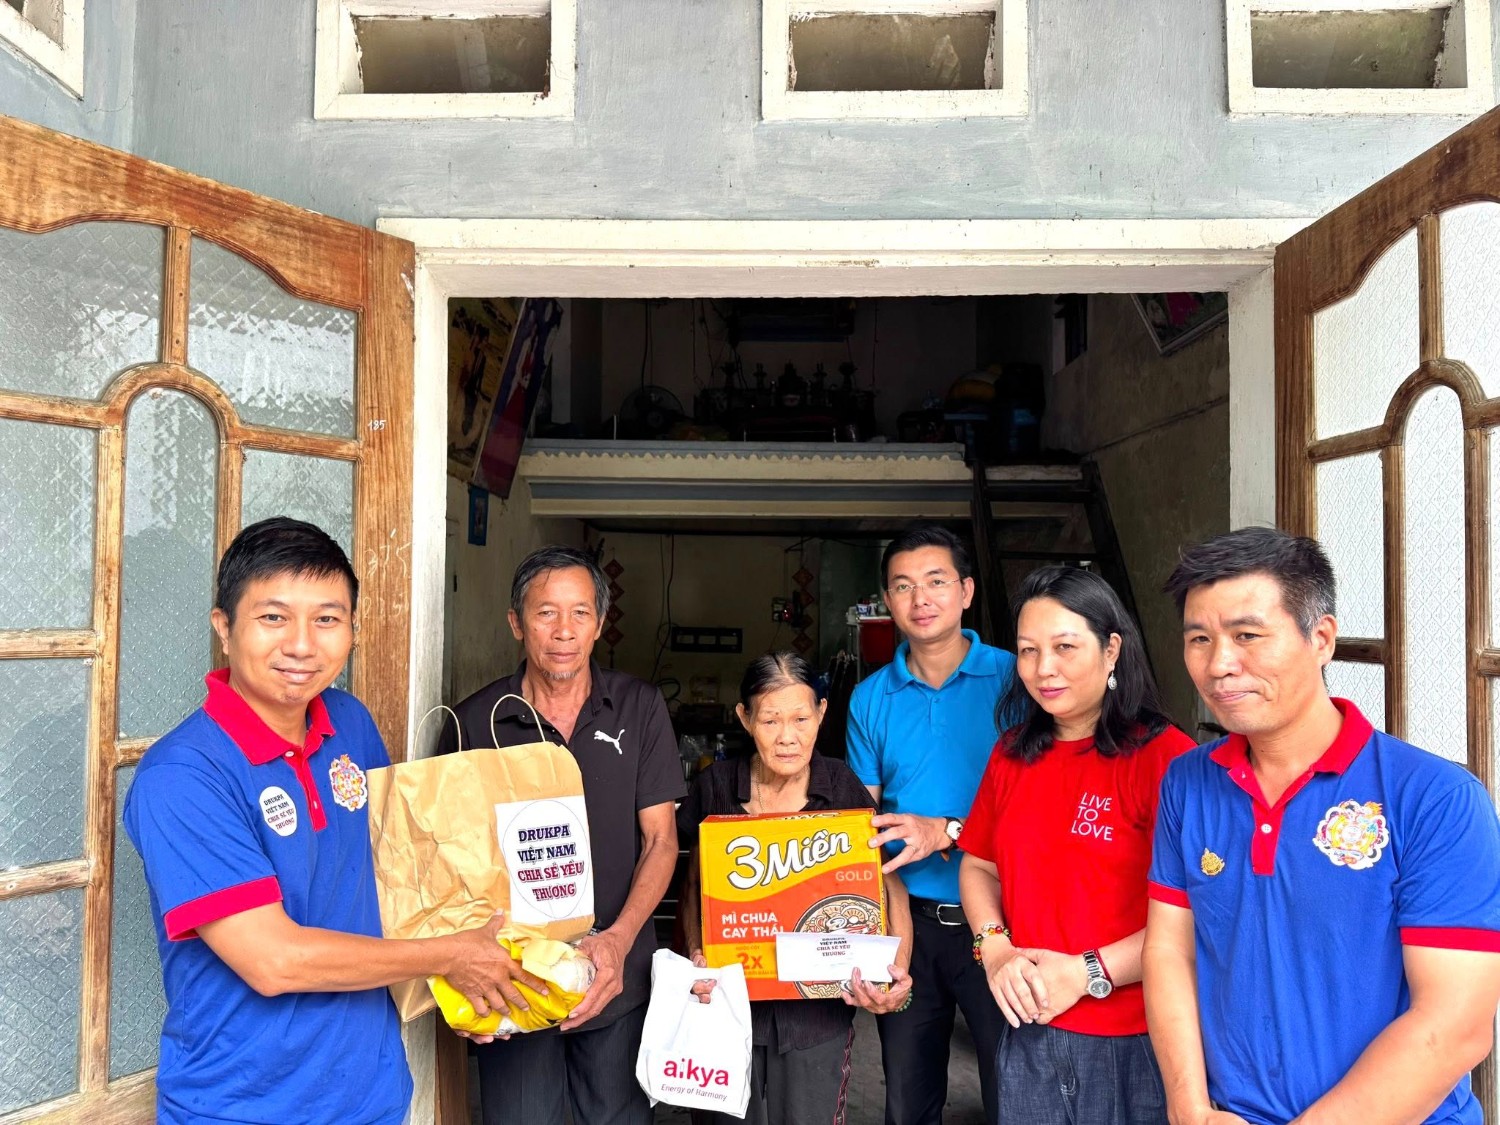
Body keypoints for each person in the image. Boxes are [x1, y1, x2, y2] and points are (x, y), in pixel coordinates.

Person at [124, 518, 526, 1125]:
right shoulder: (183, 776)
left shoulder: (348, 722)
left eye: (327, 619)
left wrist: (464, 982)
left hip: (372, 1093)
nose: (302, 645)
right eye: (273, 617)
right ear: (224, 628)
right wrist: (451, 957)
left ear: (353, 631)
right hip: (243, 1105)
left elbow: (395, 883)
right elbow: (273, 960)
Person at [1145, 527, 1500, 1125]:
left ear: (1321, 639)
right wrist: (1190, 1109)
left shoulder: (1435, 798)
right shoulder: (1188, 783)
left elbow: (1454, 1025)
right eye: (1199, 639)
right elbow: (1169, 951)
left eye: (1247, 636)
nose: (1219, 664)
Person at [441, 544, 683, 1125]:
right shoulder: (475, 721)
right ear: (516, 623)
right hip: (515, 981)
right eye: (545, 612)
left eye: (579, 613)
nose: (563, 631)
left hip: (615, 974)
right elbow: (448, 862)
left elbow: (660, 841)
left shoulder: (639, 708)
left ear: (600, 624)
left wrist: (618, 941)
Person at [959, 566, 1193, 1125]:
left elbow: (1200, 912)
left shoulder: (1168, 760)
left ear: (1111, 649)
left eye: (1065, 647)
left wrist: (1088, 972)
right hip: (1029, 1031)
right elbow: (979, 866)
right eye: (1028, 650)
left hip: (1139, 1039)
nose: (1044, 668)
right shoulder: (1012, 752)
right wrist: (995, 949)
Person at [678, 652, 916, 1125]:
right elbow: (693, 888)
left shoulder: (842, 787)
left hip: (816, 1021)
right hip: (727, 1010)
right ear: (745, 718)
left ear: (821, 714)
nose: (787, 736)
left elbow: (892, 889)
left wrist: (896, 974)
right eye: (770, 720)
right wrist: (695, 952)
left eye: (801, 719)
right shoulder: (716, 786)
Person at [846, 524, 1015, 1125]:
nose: (921, 599)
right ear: (886, 602)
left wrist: (946, 830)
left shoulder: (1017, 680)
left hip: (1005, 924)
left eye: (936, 581)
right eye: (903, 586)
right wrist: (879, 940)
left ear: (966, 591)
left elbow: (1039, 809)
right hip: (911, 926)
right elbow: (864, 831)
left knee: (1015, 1098)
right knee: (908, 1103)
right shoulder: (870, 699)